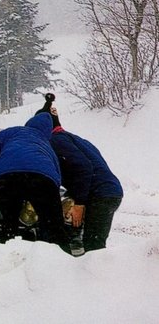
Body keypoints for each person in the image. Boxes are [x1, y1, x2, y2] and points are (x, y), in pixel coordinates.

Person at [35, 93, 123, 253]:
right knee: (90, 243)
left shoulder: (56, 140)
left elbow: (84, 168)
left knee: (93, 247)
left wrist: (80, 204)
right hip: (109, 191)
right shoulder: (76, 139)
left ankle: (99, 276)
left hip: (100, 194)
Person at [0, 113, 69, 247]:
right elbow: (56, 174)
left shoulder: (10, 133)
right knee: (53, 228)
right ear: (48, 132)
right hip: (43, 180)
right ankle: (53, 256)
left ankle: (9, 248)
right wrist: (49, 201)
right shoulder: (45, 143)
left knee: (10, 224)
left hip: (7, 178)